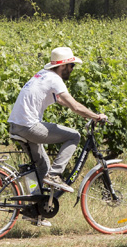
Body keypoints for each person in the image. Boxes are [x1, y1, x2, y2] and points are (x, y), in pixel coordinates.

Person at [8, 46, 107, 225]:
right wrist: (95, 116)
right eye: (72, 66)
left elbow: (61, 100)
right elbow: (74, 106)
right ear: (64, 66)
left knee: (41, 165)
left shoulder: (42, 75)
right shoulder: (55, 79)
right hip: (29, 127)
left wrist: (78, 109)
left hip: (16, 125)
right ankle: (55, 175)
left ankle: (34, 211)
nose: (72, 70)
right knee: (74, 136)